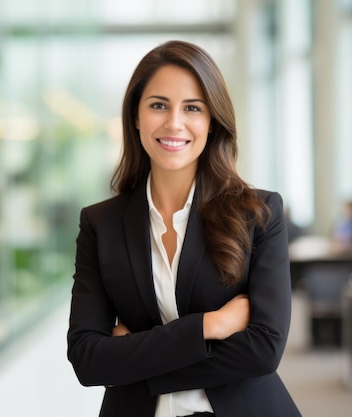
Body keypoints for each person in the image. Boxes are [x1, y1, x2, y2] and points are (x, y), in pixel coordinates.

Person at [67, 40, 301, 417]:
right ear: (136, 117)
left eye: (192, 108)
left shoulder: (258, 213)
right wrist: (212, 324)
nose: (174, 122)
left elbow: (264, 350)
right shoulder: (100, 224)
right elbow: (87, 358)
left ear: (212, 122)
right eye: (158, 105)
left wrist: (136, 359)